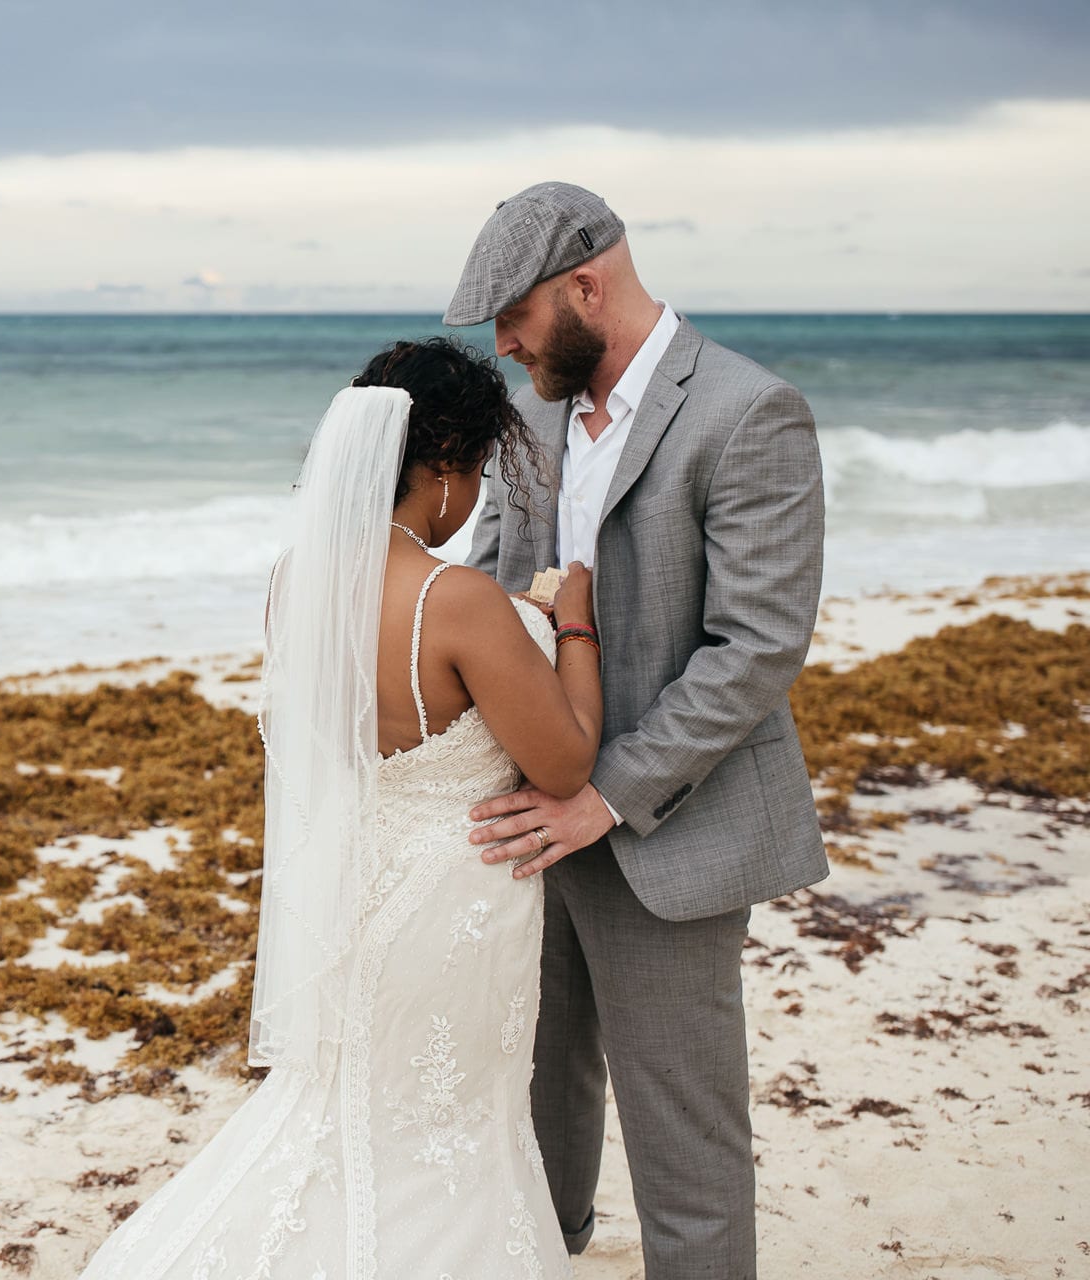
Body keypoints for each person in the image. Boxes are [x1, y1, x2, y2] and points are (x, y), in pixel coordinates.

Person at [78, 337, 600, 1279]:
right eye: (476, 472)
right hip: (451, 907)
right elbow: (564, 763)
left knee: (347, 1115)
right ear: (440, 470)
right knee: (453, 1126)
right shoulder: (460, 598)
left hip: (352, 893)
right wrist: (571, 620)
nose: (475, 498)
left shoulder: (297, 583)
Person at [449, 181, 829, 1279]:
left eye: (515, 319)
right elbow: (488, 588)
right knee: (534, 1097)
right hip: (528, 818)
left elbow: (756, 646)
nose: (507, 345)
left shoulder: (749, 411)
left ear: (586, 284)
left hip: (676, 830)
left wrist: (600, 793)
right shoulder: (529, 416)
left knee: (686, 1142)